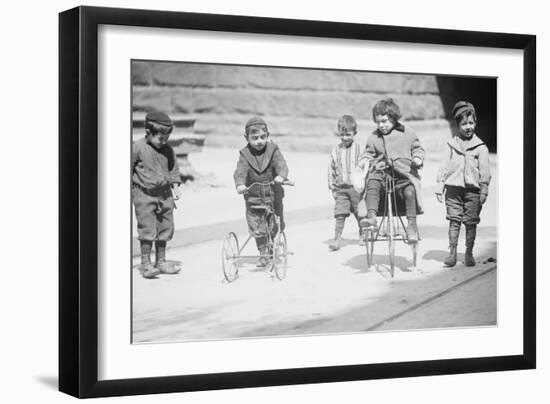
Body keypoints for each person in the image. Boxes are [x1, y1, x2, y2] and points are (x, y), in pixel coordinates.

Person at [359, 98, 425, 242]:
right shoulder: (373, 137)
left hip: (402, 175)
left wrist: (418, 159)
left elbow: (417, 148)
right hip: (382, 175)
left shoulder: (408, 133)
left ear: (394, 118)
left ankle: (412, 226)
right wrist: (364, 160)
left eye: (384, 121)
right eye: (377, 122)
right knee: (372, 182)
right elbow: (368, 152)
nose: (380, 125)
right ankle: (371, 218)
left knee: (410, 190)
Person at [436, 101, 491, 267]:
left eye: (471, 123)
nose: (468, 127)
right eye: (464, 124)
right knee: (454, 221)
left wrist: (484, 191)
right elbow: (444, 166)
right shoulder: (451, 145)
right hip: (453, 190)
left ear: (475, 122)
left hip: (472, 192)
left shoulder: (481, 147)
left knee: (471, 222)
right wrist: (440, 187)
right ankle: (452, 253)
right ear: (457, 125)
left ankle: (469, 253)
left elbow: (486, 172)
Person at [132, 111, 182, 279]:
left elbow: (173, 168)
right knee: (147, 229)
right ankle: (145, 264)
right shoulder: (137, 147)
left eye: (166, 138)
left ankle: (161, 261)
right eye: (160, 138)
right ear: (148, 132)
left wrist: (175, 186)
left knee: (165, 227)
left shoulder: (168, 149)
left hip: (165, 195)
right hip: (144, 195)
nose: (164, 142)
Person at [233, 116, 289, 266]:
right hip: (254, 195)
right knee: (257, 224)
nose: (259, 141)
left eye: (263, 137)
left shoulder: (273, 150)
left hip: (272, 192)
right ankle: (263, 252)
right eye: (254, 138)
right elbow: (240, 171)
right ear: (247, 138)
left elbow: (281, 164)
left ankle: (272, 245)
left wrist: (281, 176)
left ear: (268, 135)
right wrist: (240, 184)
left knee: (274, 222)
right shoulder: (245, 155)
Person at [327, 115, 366, 251]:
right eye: (342, 134)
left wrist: (364, 183)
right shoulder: (336, 150)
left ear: (354, 133)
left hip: (356, 188)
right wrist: (332, 185)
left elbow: (365, 167)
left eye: (348, 134)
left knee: (359, 213)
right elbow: (331, 167)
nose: (344, 137)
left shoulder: (360, 150)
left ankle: (362, 234)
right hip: (341, 188)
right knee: (339, 213)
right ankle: (337, 238)